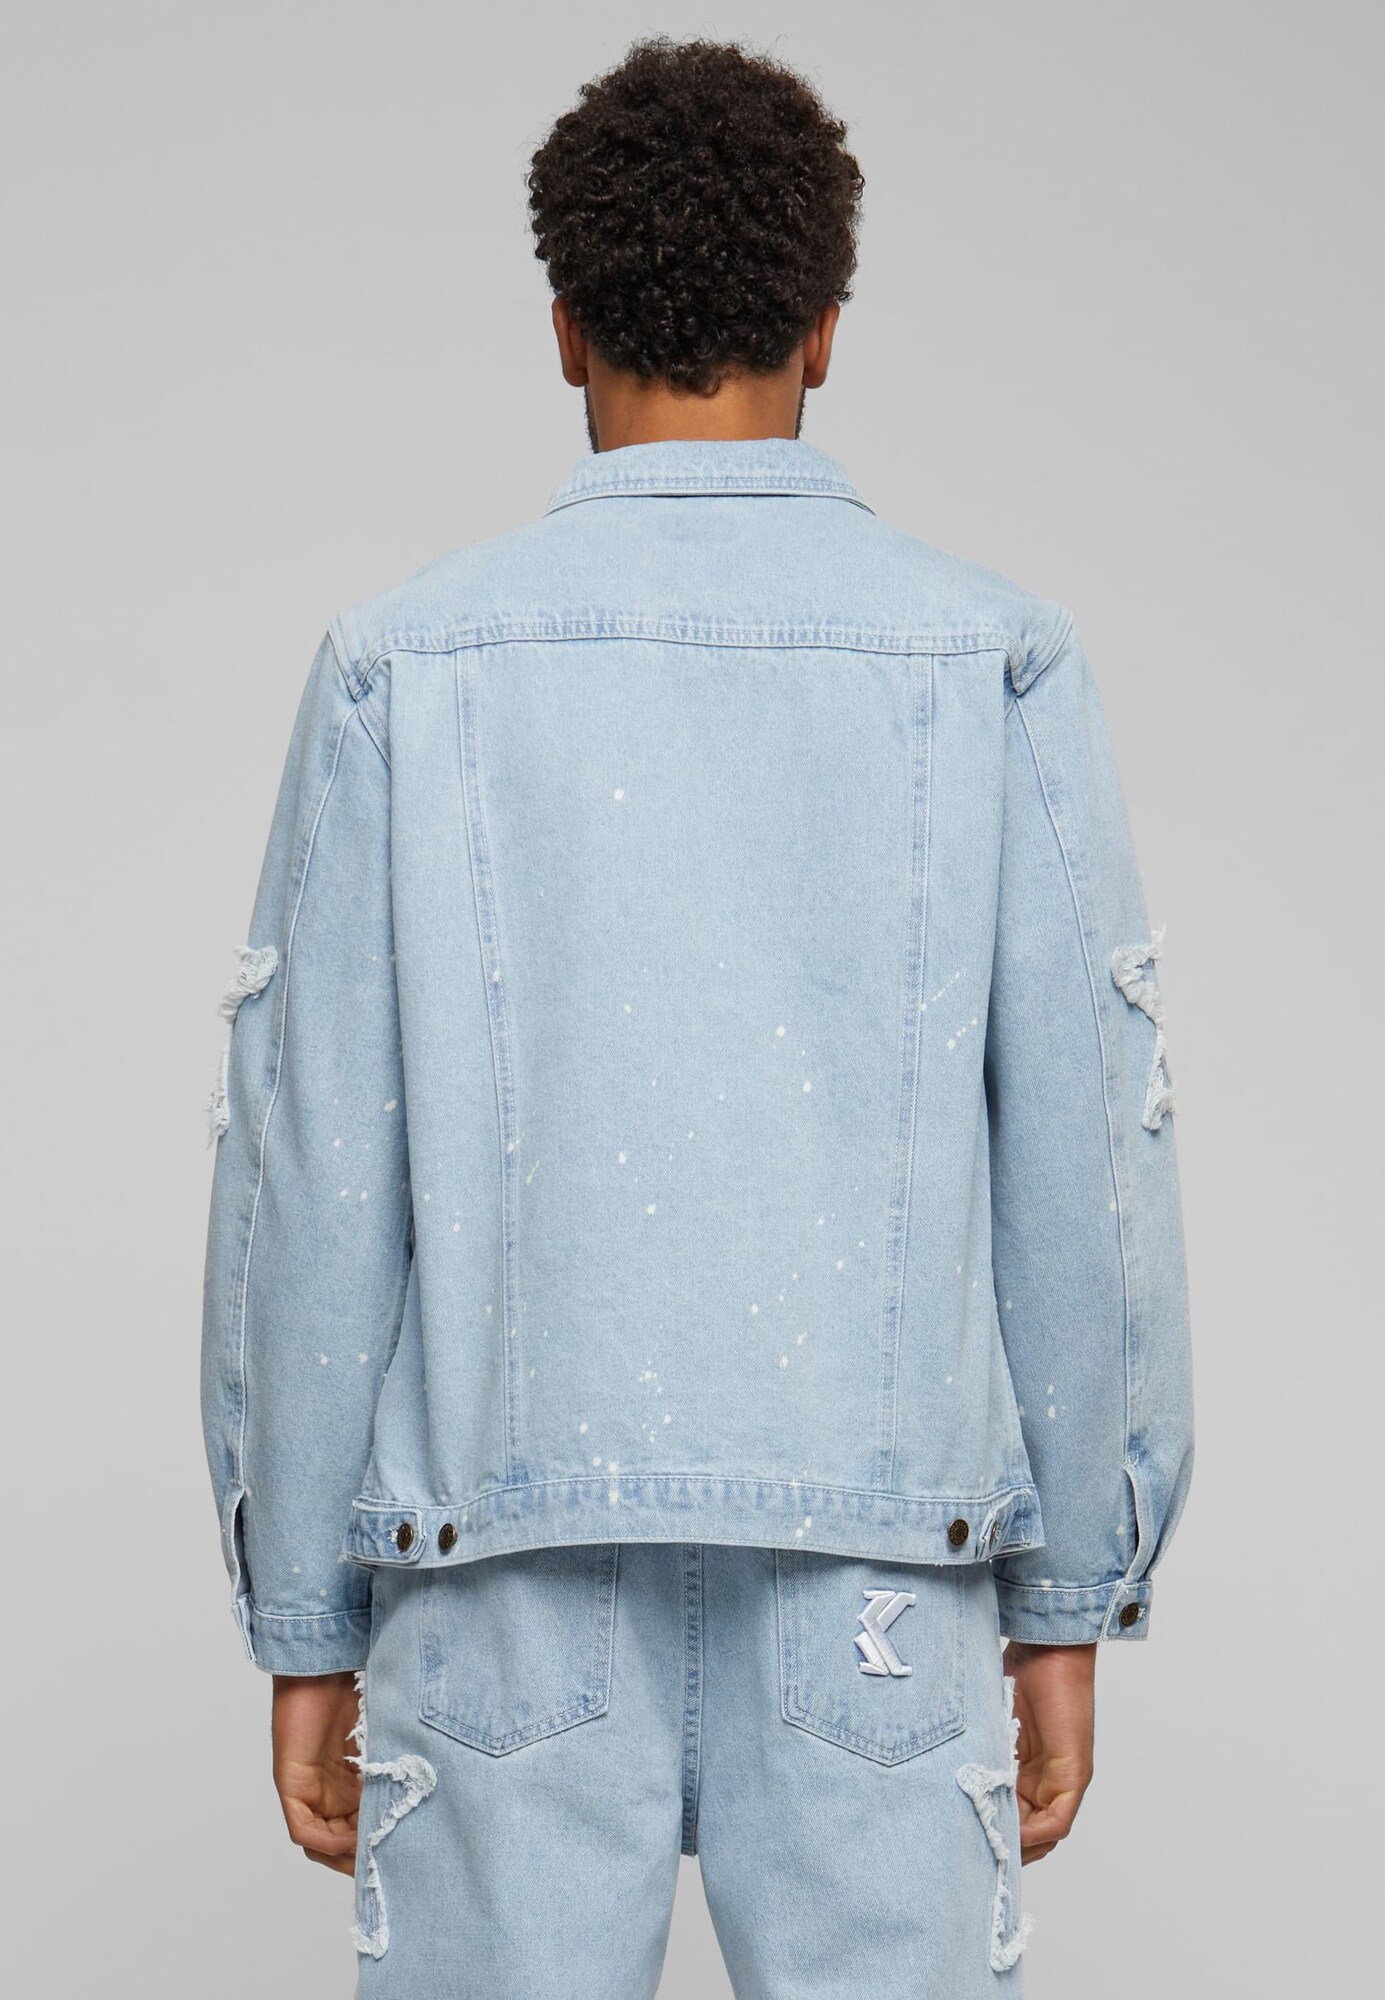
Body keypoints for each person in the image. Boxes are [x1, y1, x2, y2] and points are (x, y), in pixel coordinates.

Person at [200, 34, 1193, 1998]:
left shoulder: (406, 666)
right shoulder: (992, 658)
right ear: (826, 331)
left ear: (563, 331)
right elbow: (1088, 1159)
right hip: (881, 1596)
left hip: (495, 1582)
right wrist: (1072, 1590)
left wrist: (304, 1619)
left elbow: (310, 1177)